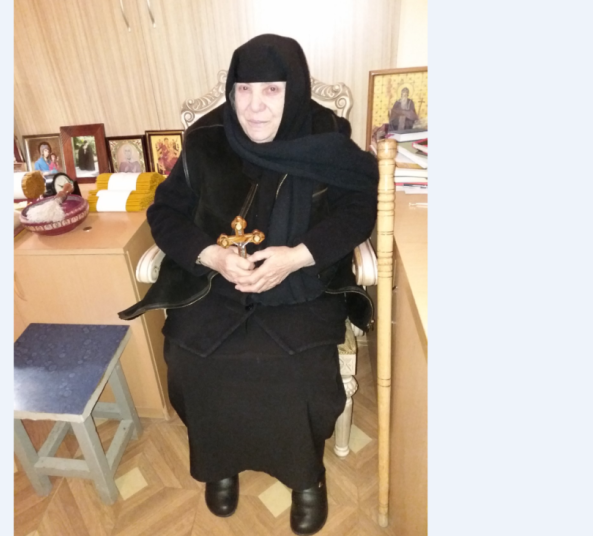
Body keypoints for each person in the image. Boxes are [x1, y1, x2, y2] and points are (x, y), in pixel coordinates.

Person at [119, 34, 378, 536]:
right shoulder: (205, 140)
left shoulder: (326, 137)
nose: (255, 106)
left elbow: (357, 210)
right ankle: (220, 463)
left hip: (302, 280)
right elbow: (165, 213)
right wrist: (211, 255)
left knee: (298, 366)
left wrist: (298, 256)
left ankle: (306, 476)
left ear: (294, 90)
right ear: (231, 92)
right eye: (244, 90)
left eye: (271, 90)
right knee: (191, 360)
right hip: (218, 282)